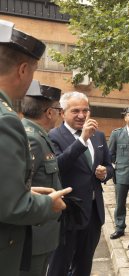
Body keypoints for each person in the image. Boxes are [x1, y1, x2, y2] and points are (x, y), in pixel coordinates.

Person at [0, 19, 70, 276]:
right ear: (22, 70)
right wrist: (46, 205)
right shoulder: (6, 120)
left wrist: (25, 190)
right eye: (33, 70)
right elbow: (10, 206)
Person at [48, 92, 114, 276]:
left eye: (86, 110)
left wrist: (105, 173)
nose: (82, 115)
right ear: (62, 113)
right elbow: (58, 166)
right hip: (68, 212)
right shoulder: (53, 136)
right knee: (59, 266)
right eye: (75, 110)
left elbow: (110, 166)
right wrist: (82, 139)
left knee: (84, 266)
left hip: (93, 212)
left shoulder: (99, 136)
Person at [20, 80, 63, 276]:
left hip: (42, 233)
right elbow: (19, 189)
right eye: (59, 109)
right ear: (49, 112)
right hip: (34, 236)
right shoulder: (32, 139)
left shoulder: (39, 135)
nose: (59, 114)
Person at [108, 107, 129, 240]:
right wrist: (115, 166)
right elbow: (110, 154)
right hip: (121, 174)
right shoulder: (116, 134)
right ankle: (119, 228)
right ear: (125, 118)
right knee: (120, 203)